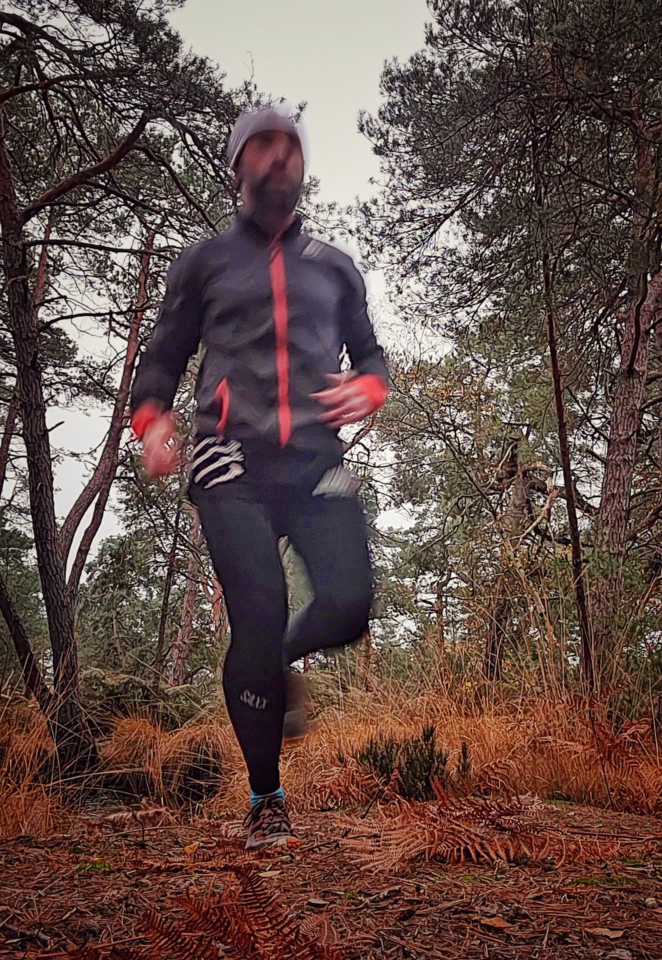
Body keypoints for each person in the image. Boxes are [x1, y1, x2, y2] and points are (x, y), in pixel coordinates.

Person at [129, 107, 389, 850]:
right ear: (238, 165)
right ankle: (266, 796)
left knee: (347, 605)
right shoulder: (204, 261)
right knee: (260, 610)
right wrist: (154, 421)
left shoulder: (335, 266)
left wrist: (370, 388)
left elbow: (370, 356)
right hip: (228, 462)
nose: (280, 157)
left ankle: (273, 663)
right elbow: (164, 355)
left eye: (291, 146)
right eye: (264, 146)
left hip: (315, 461)